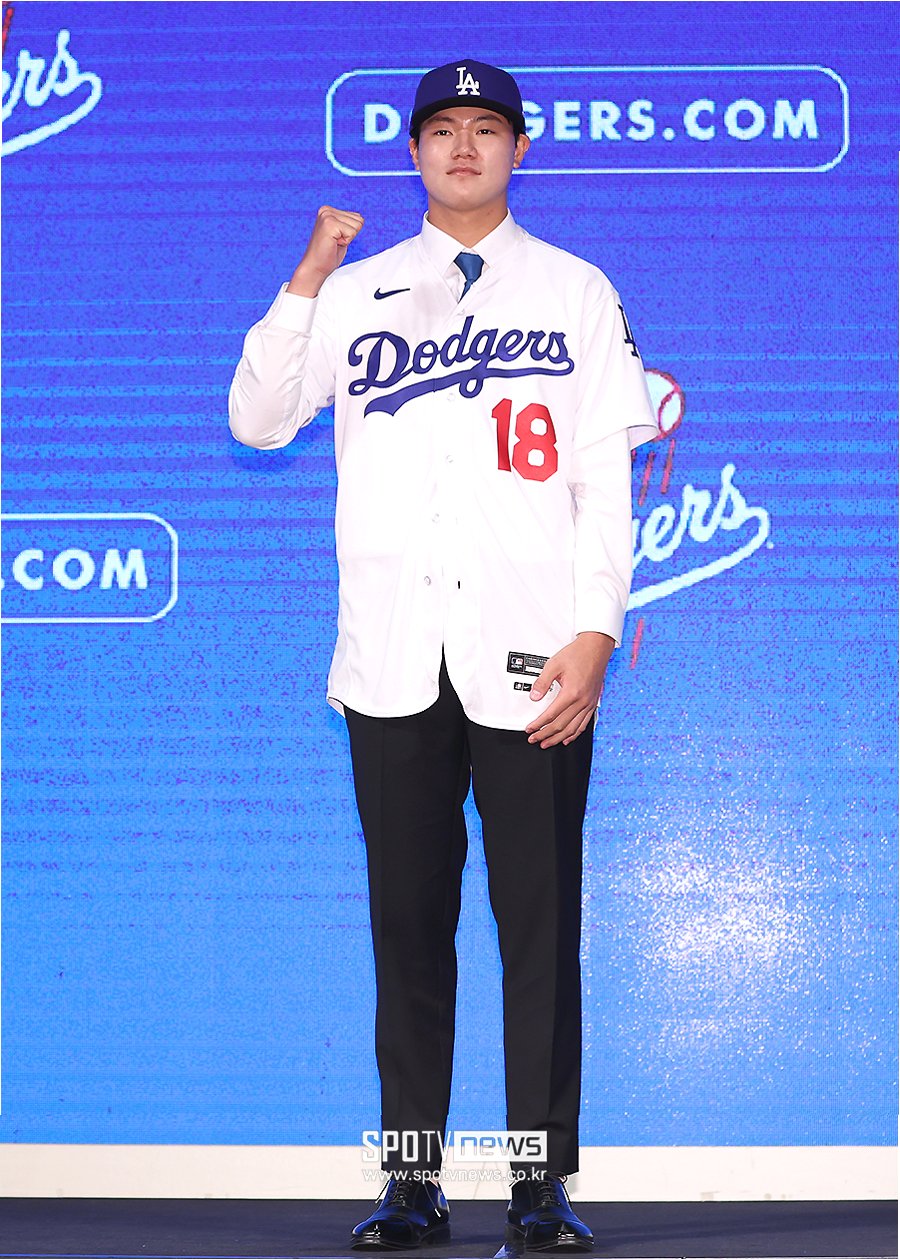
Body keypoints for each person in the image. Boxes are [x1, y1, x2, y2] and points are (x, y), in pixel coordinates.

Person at [229, 58, 657, 1253]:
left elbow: (603, 481)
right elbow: (256, 418)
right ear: (414, 151)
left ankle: (535, 1185)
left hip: (534, 658)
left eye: (486, 128)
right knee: (408, 931)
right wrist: (307, 275)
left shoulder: (576, 289)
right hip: (391, 658)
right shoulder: (354, 291)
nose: (464, 147)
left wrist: (597, 631)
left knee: (540, 932)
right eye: (442, 129)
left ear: (519, 149)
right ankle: (413, 1182)